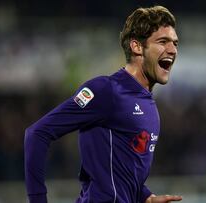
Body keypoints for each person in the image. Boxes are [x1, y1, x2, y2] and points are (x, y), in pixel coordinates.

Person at [24, 5, 182, 203]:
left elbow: (121, 171)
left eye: (175, 43)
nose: (173, 49)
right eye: (163, 42)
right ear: (137, 47)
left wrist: (144, 196)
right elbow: (37, 134)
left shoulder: (148, 104)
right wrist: (37, 200)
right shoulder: (106, 90)